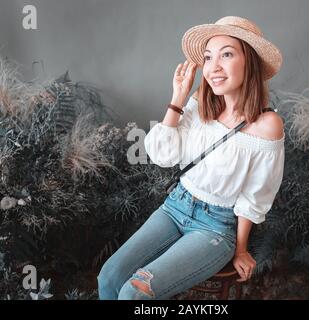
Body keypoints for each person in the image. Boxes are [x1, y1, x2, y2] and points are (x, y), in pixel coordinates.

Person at [97, 16, 285, 300]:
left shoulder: (267, 125)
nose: (214, 67)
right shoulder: (201, 102)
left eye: (227, 55)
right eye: (208, 58)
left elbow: (254, 196)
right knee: (109, 277)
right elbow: (163, 156)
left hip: (215, 227)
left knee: (133, 294)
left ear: (250, 62)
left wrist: (241, 248)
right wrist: (178, 99)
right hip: (175, 207)